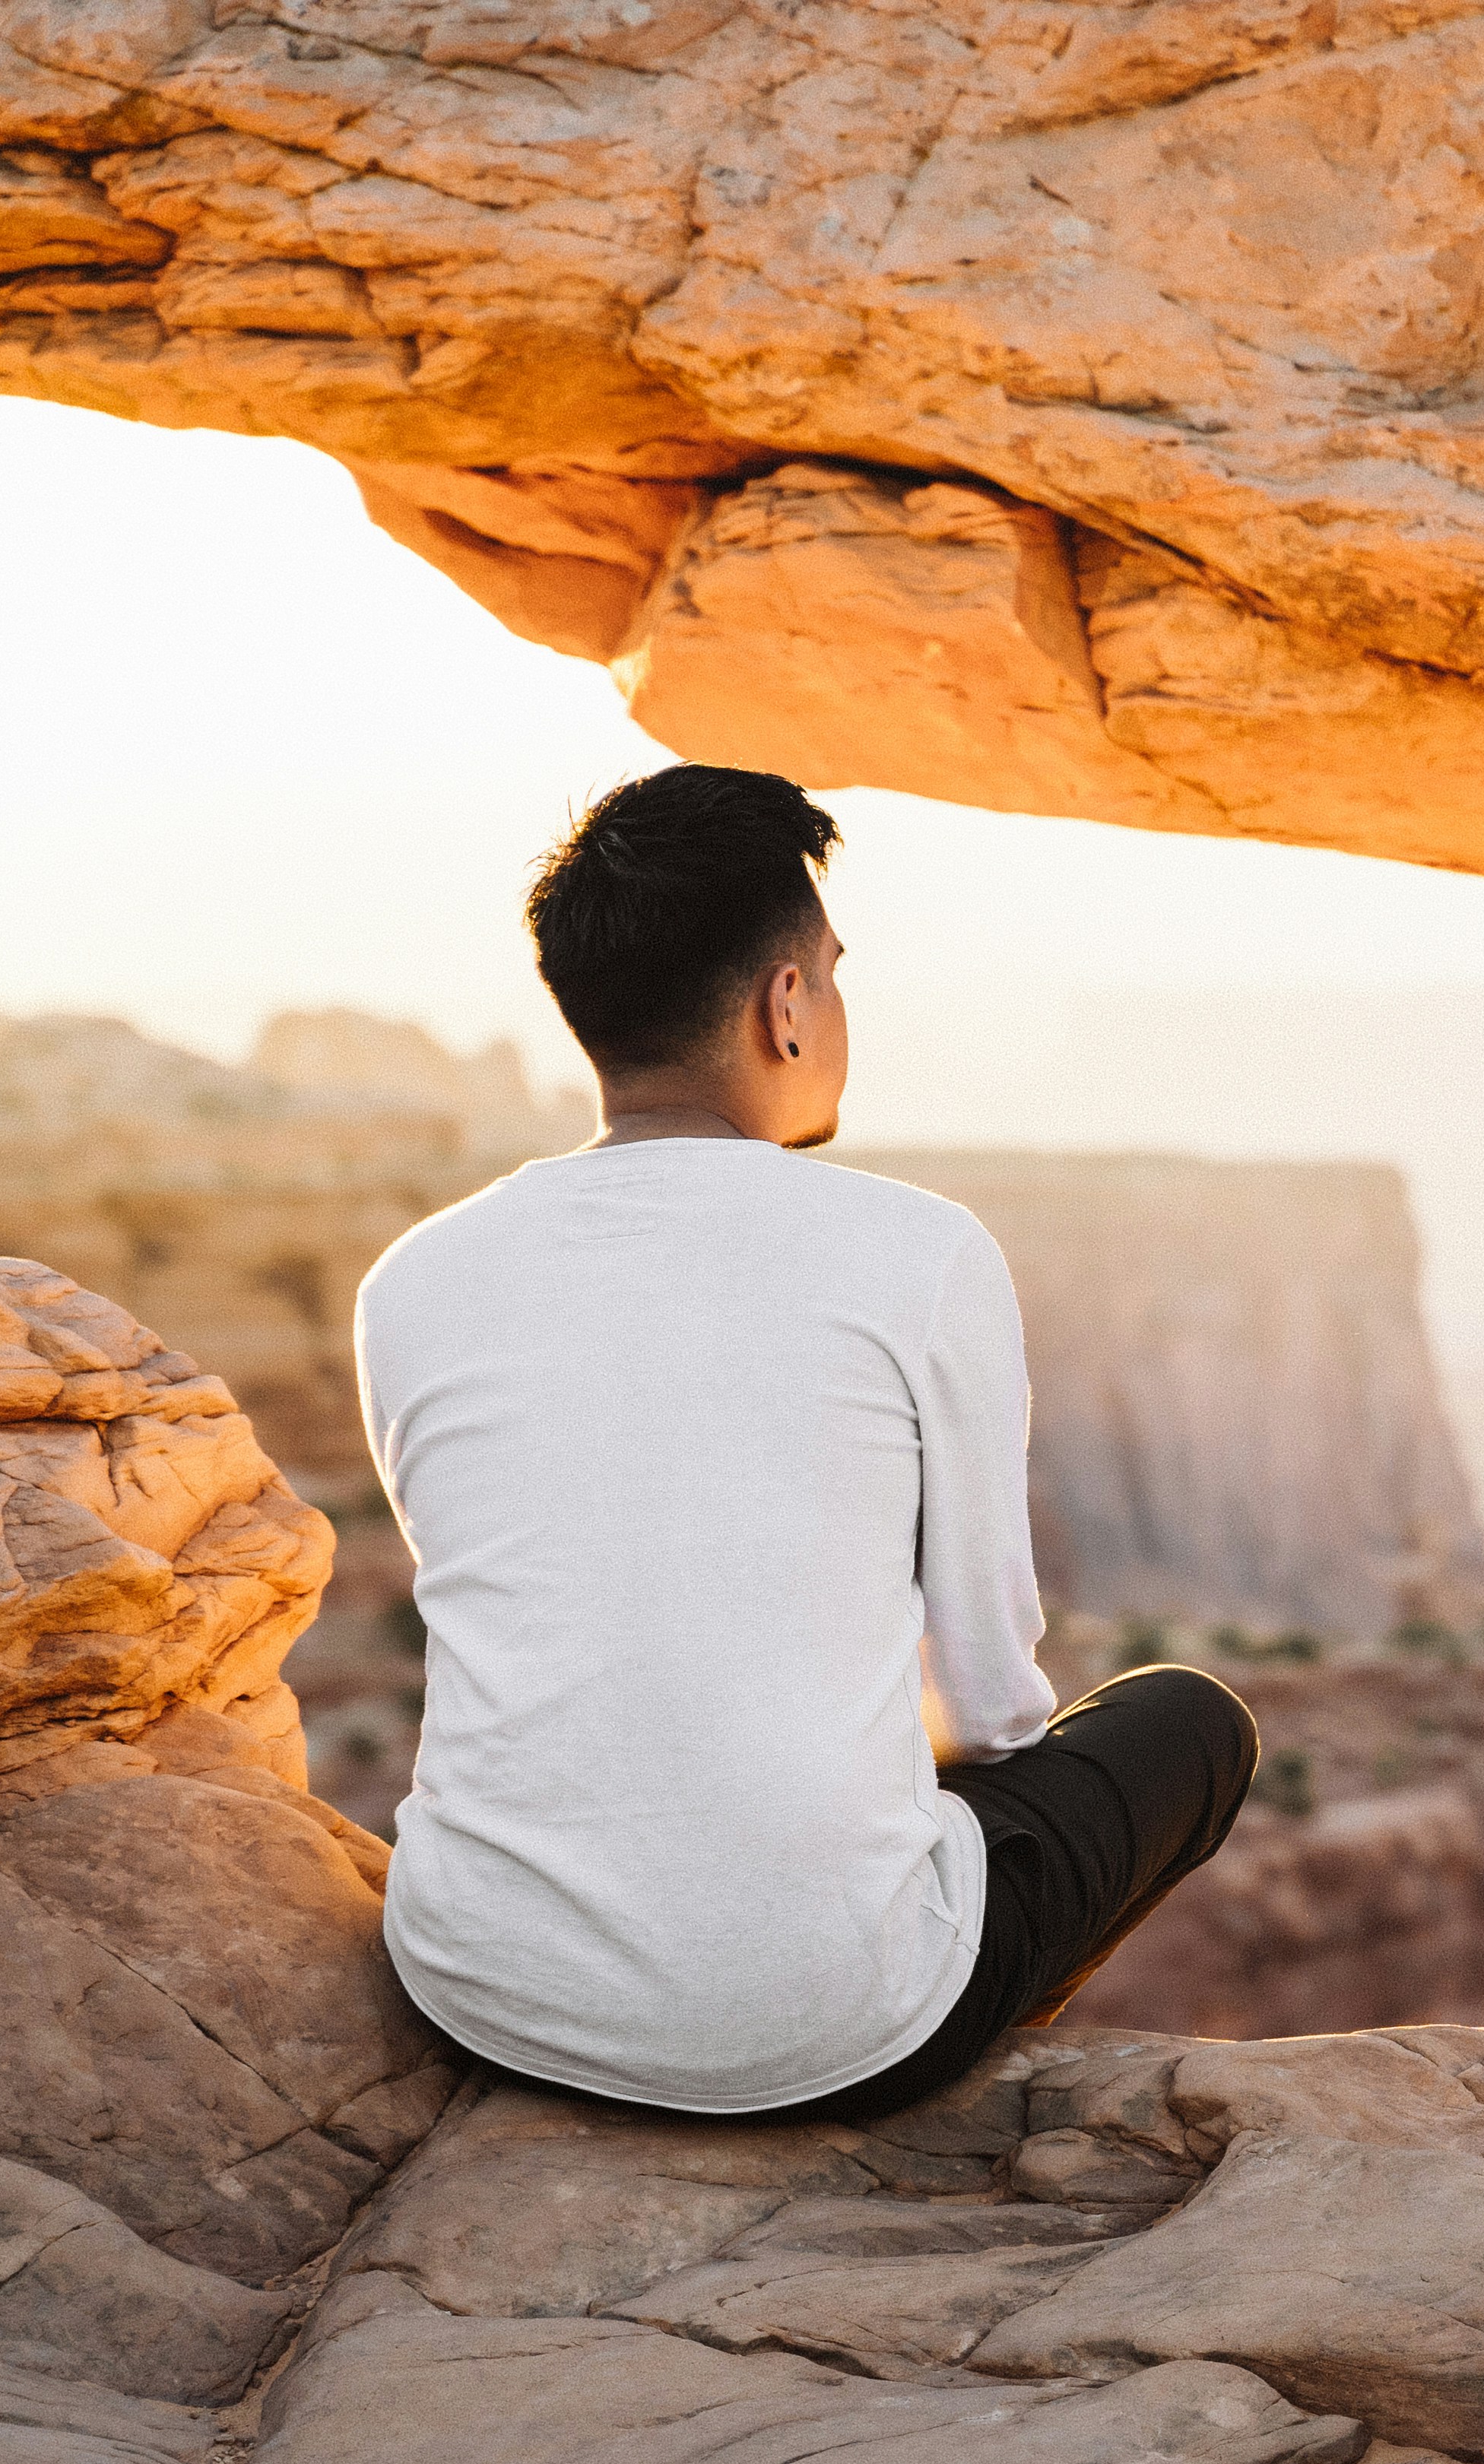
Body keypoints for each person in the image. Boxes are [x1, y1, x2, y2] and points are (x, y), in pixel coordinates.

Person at [354, 763, 1255, 2117]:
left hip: (483, 1993)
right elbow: (1004, 1704)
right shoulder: (921, 1253)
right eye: (829, 972)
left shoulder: (412, 1279)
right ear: (787, 1003)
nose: (834, 1006)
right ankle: (899, 2019)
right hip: (830, 2030)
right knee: (1191, 1723)